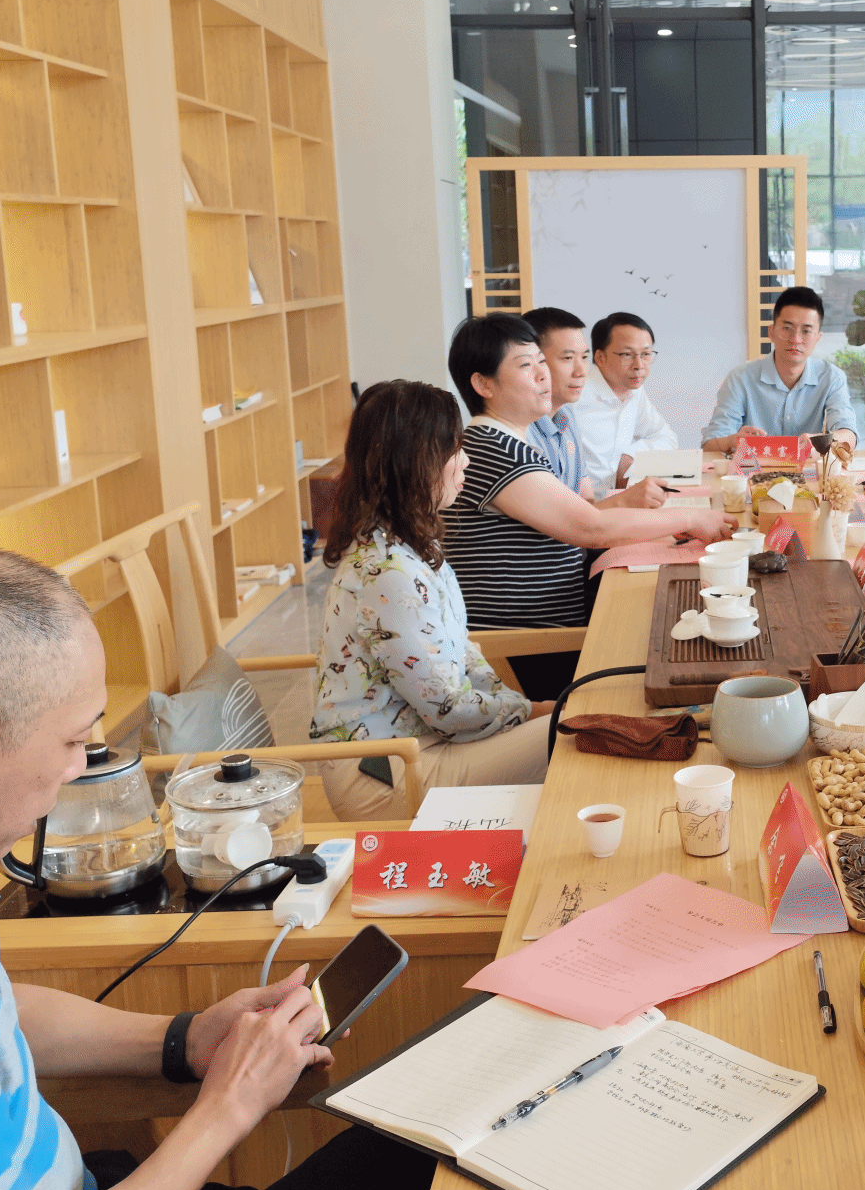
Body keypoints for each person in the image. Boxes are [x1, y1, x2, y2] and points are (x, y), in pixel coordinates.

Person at [0, 545, 435, 1190]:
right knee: (425, 1166)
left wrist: (183, 1038)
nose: (78, 766)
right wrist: (230, 1105)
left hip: (89, 1184)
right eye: (74, 740)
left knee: (406, 1154)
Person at [446, 314, 731, 701]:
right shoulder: (496, 449)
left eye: (542, 362)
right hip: (524, 648)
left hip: (550, 624)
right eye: (527, 365)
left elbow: (586, 515)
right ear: (483, 384)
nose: (544, 375)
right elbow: (590, 527)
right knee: (677, 651)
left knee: (675, 613)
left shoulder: (513, 442)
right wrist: (692, 518)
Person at [309, 380, 556, 818]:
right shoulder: (390, 573)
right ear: (414, 462)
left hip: (419, 746)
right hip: (386, 773)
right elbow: (449, 709)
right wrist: (531, 709)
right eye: (453, 448)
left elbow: (461, 652)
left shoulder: (410, 544)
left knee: (571, 725)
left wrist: (518, 707)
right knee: (570, 732)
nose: (465, 460)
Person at [525, 307, 669, 510]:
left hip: (598, 512)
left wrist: (629, 457)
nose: (580, 372)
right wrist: (623, 500)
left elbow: (586, 502)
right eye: (567, 358)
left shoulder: (565, 417)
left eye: (584, 357)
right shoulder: (526, 429)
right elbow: (559, 519)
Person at [702, 287, 862, 454]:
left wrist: (821, 441)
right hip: (753, 469)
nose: (796, 339)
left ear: (818, 338)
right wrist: (733, 441)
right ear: (771, 332)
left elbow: (849, 435)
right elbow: (709, 446)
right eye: (787, 328)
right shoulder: (740, 378)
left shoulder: (831, 378)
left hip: (809, 469)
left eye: (806, 331)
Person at [573, 311, 682, 493]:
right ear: (600, 358)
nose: (639, 365)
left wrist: (631, 455)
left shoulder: (634, 391)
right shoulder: (575, 394)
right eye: (627, 355)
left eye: (646, 354)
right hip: (582, 504)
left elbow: (667, 437)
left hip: (620, 499)